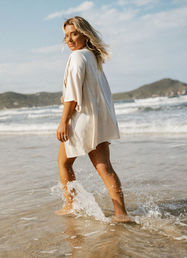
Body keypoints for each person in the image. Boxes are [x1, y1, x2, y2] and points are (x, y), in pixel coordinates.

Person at [56, 16, 132, 223]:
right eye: (66, 36)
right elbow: (97, 93)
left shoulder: (77, 57)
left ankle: (71, 205)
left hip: (81, 120)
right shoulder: (93, 57)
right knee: (104, 167)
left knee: (63, 163)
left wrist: (63, 121)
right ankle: (121, 214)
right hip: (97, 120)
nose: (69, 40)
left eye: (74, 33)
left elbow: (72, 95)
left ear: (84, 34)